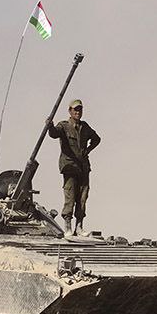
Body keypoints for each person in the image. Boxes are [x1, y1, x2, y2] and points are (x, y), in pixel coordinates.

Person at [47, 99, 101, 235]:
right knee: (70, 196)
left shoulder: (85, 127)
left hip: (83, 166)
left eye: (80, 110)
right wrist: (49, 126)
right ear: (70, 111)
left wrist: (88, 150)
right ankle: (68, 227)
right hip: (70, 166)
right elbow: (54, 134)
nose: (78, 112)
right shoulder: (64, 126)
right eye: (75, 110)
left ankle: (79, 226)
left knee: (82, 197)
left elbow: (96, 139)